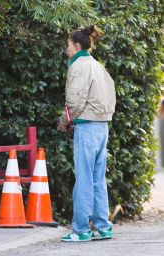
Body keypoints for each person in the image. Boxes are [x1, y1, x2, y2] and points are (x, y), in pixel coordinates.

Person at [58, 25, 116, 242]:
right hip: (102, 126)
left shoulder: (79, 66)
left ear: (77, 45)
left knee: (83, 178)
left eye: (68, 46)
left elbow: (74, 101)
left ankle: (81, 229)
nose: (67, 50)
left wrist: (64, 121)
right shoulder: (98, 66)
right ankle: (103, 227)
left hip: (87, 127)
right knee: (98, 179)